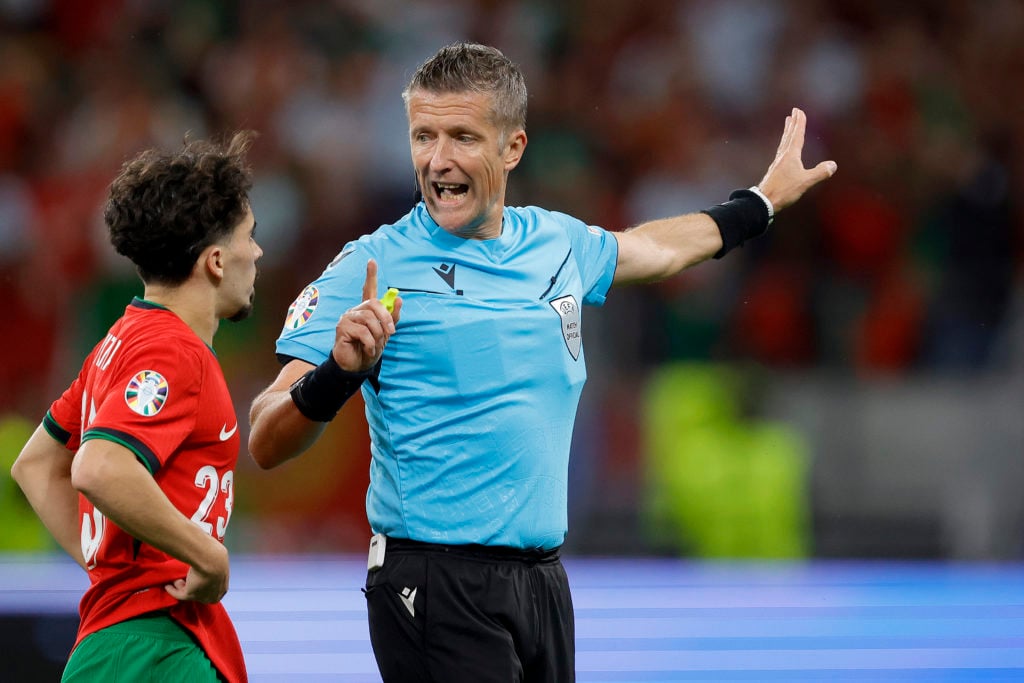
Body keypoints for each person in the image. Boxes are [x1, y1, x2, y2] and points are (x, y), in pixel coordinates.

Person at [248, 42, 836, 682]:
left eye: (463, 137)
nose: (438, 159)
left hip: (542, 583)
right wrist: (338, 375)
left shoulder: (555, 244)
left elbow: (654, 249)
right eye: (424, 136)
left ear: (512, 148)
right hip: (433, 582)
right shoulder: (373, 264)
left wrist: (760, 203)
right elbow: (265, 437)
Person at [11, 131, 262, 683]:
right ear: (217, 260)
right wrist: (207, 555)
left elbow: (34, 466)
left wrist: (115, 572)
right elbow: (99, 466)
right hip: (154, 649)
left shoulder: (115, 345)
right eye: (251, 235)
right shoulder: (173, 351)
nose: (258, 252)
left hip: (126, 638)